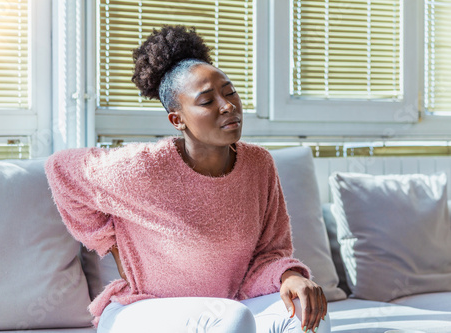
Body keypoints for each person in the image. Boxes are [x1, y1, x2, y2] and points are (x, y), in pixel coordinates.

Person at [45, 25, 331, 333]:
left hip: (228, 308)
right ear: (177, 119)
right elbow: (60, 168)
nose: (228, 105)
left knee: (307, 312)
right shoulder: (142, 168)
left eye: (230, 91)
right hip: (141, 310)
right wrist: (109, 239)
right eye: (207, 101)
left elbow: (268, 254)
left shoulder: (259, 165)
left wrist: (291, 277)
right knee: (233, 318)